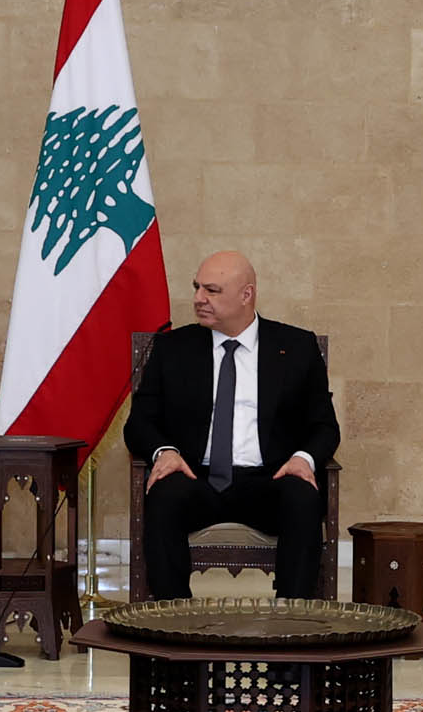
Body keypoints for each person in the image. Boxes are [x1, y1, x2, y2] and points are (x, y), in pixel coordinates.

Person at [122, 249, 342, 602]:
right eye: (197, 287)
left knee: (303, 498)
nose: (198, 298)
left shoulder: (297, 347)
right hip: (196, 477)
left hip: (270, 479)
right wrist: (165, 452)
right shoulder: (172, 348)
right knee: (164, 496)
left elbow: (325, 426)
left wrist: (303, 459)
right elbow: (139, 423)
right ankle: (172, 623)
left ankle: (294, 621)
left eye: (212, 290)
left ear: (246, 295)